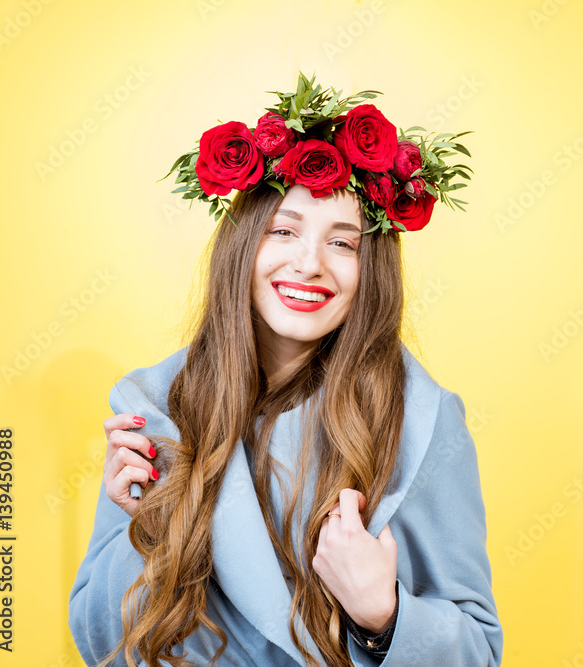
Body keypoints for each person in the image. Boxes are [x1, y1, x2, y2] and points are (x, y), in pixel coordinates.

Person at [68, 74, 500, 667]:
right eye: (284, 230)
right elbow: (102, 648)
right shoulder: (155, 407)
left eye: (343, 244)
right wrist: (146, 530)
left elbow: (479, 654)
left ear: (370, 270)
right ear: (243, 245)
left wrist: (385, 616)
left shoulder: (420, 421)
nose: (308, 264)